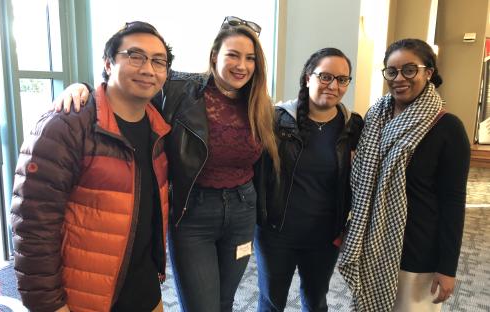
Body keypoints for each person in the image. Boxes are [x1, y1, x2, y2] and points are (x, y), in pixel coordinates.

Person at [53, 16, 280, 312]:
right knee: (202, 306)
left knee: (225, 301)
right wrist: (81, 87)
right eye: (233, 55)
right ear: (214, 56)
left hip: (242, 210)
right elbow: (129, 90)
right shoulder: (180, 90)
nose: (242, 65)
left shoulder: (260, 105)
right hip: (194, 210)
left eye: (250, 58)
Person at [11, 21, 173, 312]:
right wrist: (48, 305)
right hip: (85, 296)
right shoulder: (66, 125)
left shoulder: (159, 128)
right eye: (135, 56)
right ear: (108, 63)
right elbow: (33, 227)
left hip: (144, 288)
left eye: (158, 61)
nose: (148, 68)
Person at [339, 38, 470, 312]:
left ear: (428, 73)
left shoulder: (448, 128)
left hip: (418, 253)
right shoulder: (375, 119)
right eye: (392, 71)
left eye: (409, 70)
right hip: (372, 245)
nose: (399, 78)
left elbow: (453, 203)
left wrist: (447, 267)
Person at [255, 48, 363, 312]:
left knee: (315, 301)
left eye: (342, 79)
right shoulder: (276, 120)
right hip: (276, 233)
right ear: (307, 78)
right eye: (325, 76)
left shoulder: (353, 127)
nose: (333, 85)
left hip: (325, 236)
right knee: (271, 302)